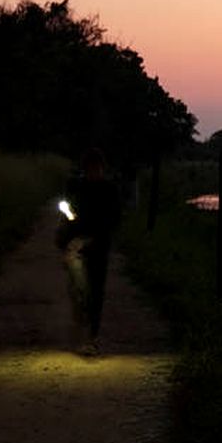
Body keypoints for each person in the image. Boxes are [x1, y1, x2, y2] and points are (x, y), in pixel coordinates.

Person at [56, 148, 123, 356]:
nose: (93, 172)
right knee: (78, 290)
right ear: (84, 169)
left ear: (102, 169)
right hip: (76, 246)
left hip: (98, 246)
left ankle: (91, 337)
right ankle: (81, 332)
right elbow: (66, 216)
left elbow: (114, 219)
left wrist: (96, 238)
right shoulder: (76, 187)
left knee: (95, 291)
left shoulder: (109, 189)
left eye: (96, 169)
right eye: (89, 169)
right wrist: (66, 240)